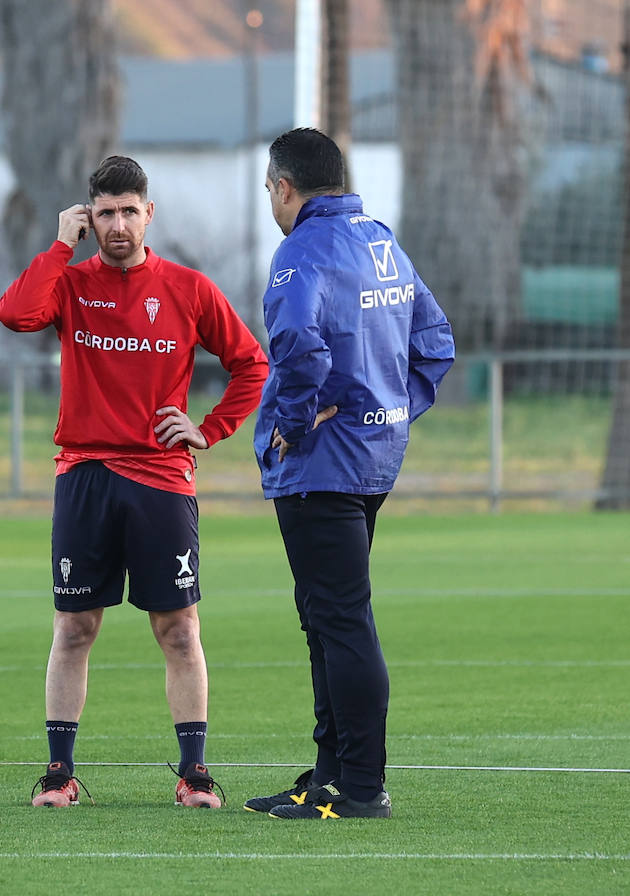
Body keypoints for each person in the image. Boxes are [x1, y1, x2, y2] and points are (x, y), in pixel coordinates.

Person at [0, 155, 268, 809]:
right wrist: (61, 246)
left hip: (161, 483)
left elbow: (251, 365)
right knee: (74, 628)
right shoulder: (69, 282)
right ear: (91, 216)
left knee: (178, 629)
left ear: (149, 213)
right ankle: (60, 776)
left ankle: (194, 775)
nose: (118, 224)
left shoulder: (187, 288)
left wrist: (209, 428)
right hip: (85, 477)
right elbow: (15, 314)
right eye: (106, 212)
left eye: (129, 210)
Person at [245, 128, 454, 820]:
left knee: (340, 620)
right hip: (372, 458)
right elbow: (435, 343)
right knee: (326, 618)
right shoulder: (382, 242)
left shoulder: (300, 252)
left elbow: (300, 347)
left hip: (321, 466)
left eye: (270, 190)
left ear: (283, 186)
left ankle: (363, 787)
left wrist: (295, 423)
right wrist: (390, 413)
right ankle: (331, 773)